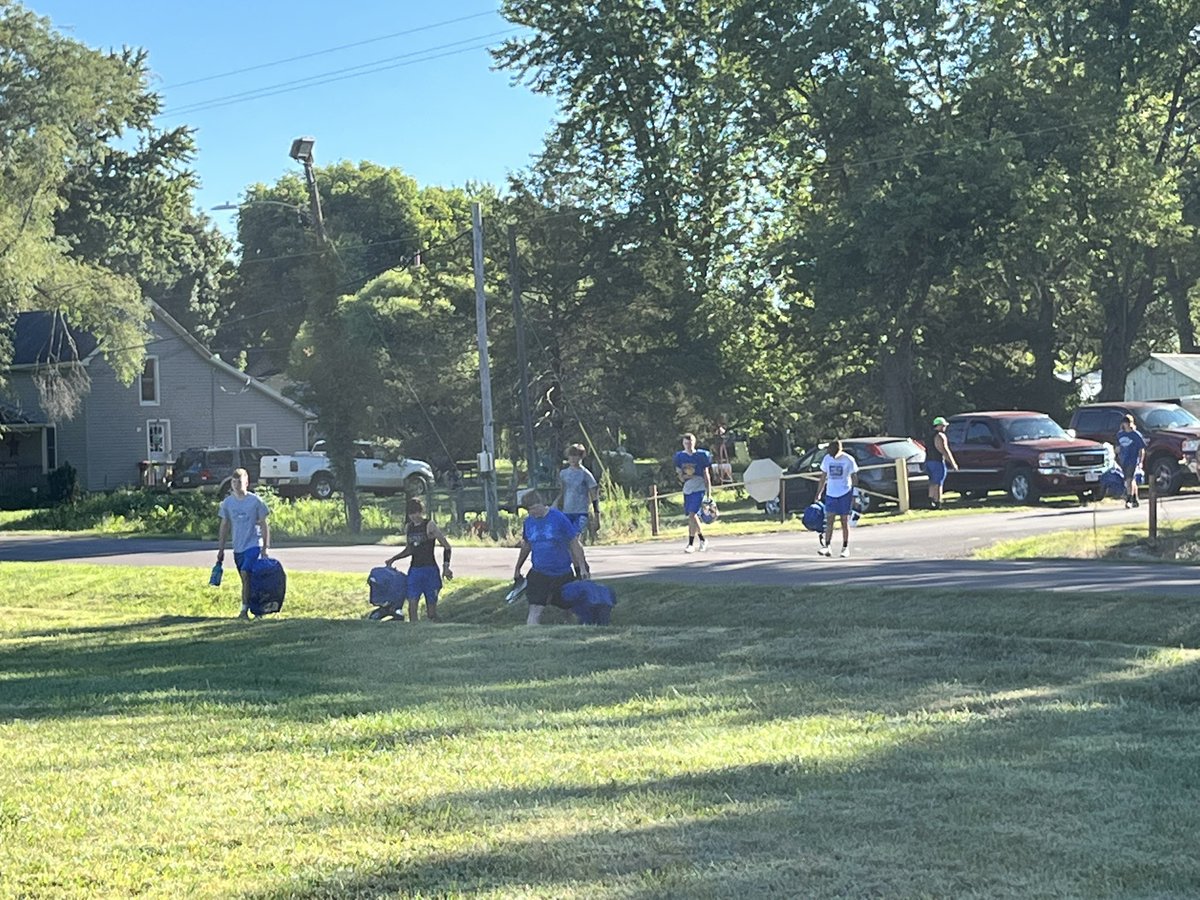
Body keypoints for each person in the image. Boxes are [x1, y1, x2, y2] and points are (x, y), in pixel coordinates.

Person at [513, 489, 590, 625]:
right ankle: (530, 637)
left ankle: (573, 631)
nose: (532, 513)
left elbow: (574, 543)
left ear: (542, 504)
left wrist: (582, 567)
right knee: (535, 608)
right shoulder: (528, 522)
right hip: (539, 573)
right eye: (529, 510)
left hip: (562, 573)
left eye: (534, 509)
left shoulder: (558, 518)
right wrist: (518, 567)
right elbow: (526, 546)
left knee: (568, 609)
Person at [385, 497, 453, 622]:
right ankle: (414, 631)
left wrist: (446, 567)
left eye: (416, 512)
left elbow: (447, 547)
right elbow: (410, 549)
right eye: (411, 513)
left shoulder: (429, 525)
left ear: (421, 511)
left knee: (431, 613)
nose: (414, 516)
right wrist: (393, 559)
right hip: (415, 571)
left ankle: (439, 626)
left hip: (430, 570)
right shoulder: (409, 528)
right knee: (412, 606)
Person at [215, 467, 271, 619]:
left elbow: (264, 524)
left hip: (253, 545)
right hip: (238, 548)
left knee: (246, 573)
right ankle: (257, 608)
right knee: (246, 579)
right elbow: (224, 525)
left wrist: (265, 548)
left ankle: (244, 610)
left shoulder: (255, 502)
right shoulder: (228, 503)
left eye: (239, 481)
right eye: (234, 482)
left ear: (246, 482)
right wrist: (221, 549)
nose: (236, 484)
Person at [814, 439, 859, 558]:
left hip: (845, 492)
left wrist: (855, 494)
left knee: (844, 521)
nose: (831, 454)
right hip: (831, 493)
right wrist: (819, 493)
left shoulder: (848, 460)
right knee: (829, 520)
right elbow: (823, 477)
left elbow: (854, 478)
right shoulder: (827, 459)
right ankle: (827, 546)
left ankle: (845, 547)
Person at [674, 432, 713, 553]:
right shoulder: (680, 457)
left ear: (694, 442)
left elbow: (706, 474)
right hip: (688, 488)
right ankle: (699, 541)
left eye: (690, 442)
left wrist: (709, 492)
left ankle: (694, 542)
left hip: (699, 486)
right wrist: (684, 476)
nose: (688, 445)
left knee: (692, 514)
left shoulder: (701, 455)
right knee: (692, 516)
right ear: (683, 444)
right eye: (686, 443)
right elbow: (680, 475)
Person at [554, 443, 600, 541]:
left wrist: (596, 515)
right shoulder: (563, 474)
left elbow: (594, 496)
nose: (573, 459)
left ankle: (578, 555)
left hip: (581, 512)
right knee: (566, 539)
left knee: (575, 538)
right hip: (566, 511)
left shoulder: (586, 474)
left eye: (576, 456)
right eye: (571, 456)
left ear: (581, 457)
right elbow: (561, 492)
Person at [926, 416, 958, 509]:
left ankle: (930, 500)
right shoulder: (940, 436)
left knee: (932, 482)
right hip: (937, 462)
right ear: (939, 426)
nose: (945, 427)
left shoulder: (929, 436)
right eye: (944, 425)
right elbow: (944, 450)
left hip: (928, 461)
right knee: (938, 483)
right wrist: (953, 462)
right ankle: (937, 502)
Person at [1116, 414, 1147, 508]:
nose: (1127, 424)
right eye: (1125, 422)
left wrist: (1141, 461)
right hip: (1123, 460)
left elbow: (1141, 449)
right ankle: (1135, 498)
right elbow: (1117, 447)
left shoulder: (1136, 435)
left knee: (1129, 480)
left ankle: (1128, 500)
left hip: (1133, 460)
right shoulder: (1120, 435)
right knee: (1130, 480)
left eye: (1128, 422)